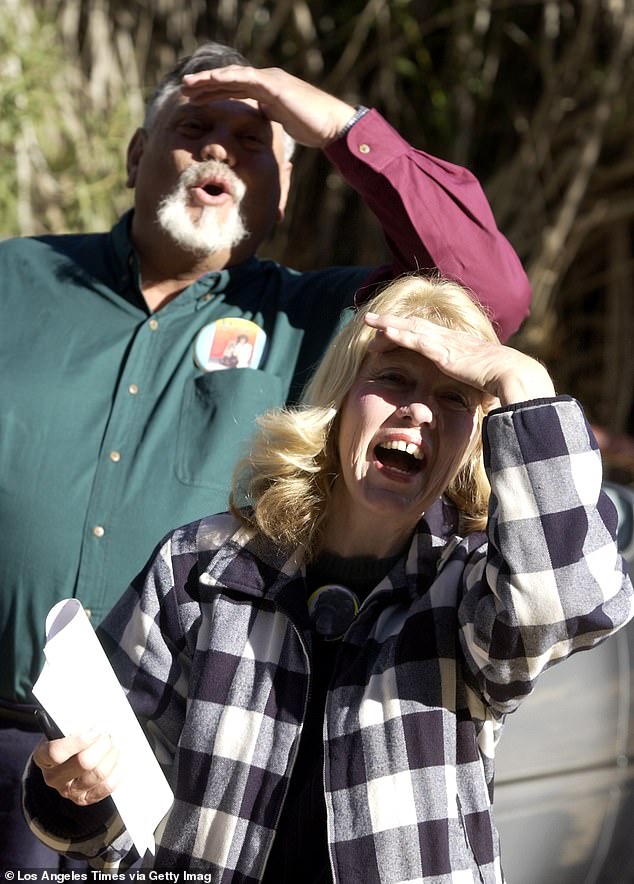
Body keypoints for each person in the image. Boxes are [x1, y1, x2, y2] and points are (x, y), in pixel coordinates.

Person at [0, 39, 531, 868]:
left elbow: (488, 296)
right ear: (139, 154)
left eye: (256, 140)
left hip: (155, 767)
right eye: (194, 126)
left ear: (286, 191)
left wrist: (337, 125)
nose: (220, 147)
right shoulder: (16, 278)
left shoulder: (323, 320)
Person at [23, 275, 633, 882]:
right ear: (339, 399)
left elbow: (570, 603)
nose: (419, 410)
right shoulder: (197, 569)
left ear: (471, 439)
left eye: (455, 398)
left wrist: (523, 384)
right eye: (393, 378)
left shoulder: (470, 585)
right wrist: (79, 793)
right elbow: (110, 813)